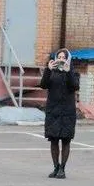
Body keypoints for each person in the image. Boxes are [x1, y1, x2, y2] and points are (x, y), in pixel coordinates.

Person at [40, 47, 80, 179]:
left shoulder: (73, 73)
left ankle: (63, 168)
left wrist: (68, 72)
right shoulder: (52, 72)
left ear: (68, 59)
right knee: (53, 140)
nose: (61, 60)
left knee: (66, 141)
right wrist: (48, 70)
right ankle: (55, 167)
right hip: (53, 111)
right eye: (59, 57)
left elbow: (74, 86)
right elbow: (43, 85)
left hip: (67, 112)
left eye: (64, 57)